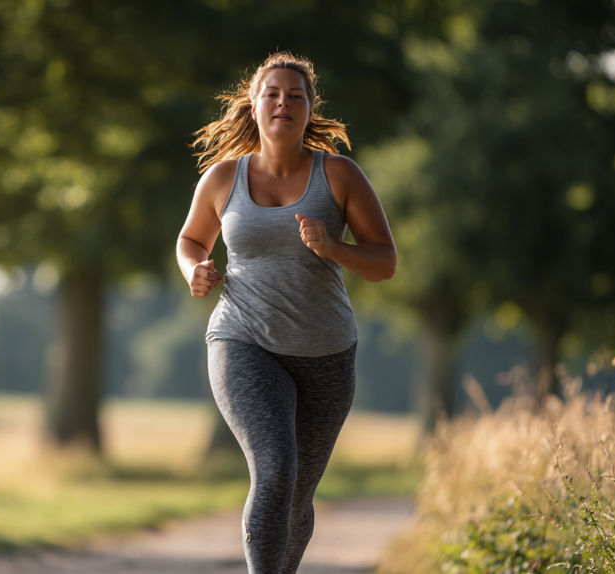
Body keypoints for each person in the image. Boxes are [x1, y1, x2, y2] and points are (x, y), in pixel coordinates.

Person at [176, 52, 397, 574]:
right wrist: (194, 269)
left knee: (296, 495)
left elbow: (384, 262)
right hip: (242, 338)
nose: (283, 103)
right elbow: (190, 240)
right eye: (272, 94)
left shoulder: (338, 175)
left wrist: (334, 247)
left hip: (326, 351)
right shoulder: (222, 178)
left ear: (310, 108)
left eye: (296, 96)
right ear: (253, 106)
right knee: (275, 470)